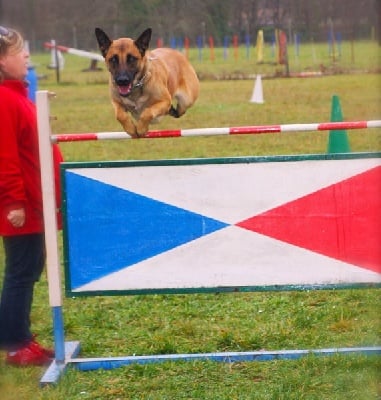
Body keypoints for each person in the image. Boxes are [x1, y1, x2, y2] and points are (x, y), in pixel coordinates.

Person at [0, 26, 63, 366]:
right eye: (19, 51)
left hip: (36, 204)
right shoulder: (4, 101)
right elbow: (4, 158)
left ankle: (19, 335)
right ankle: (14, 343)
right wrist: (13, 203)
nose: (26, 56)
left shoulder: (18, 96)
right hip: (21, 208)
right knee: (21, 272)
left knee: (29, 269)